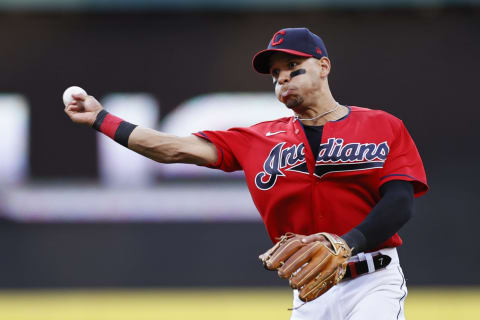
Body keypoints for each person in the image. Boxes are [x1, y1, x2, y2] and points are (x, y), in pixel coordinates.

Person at [65, 27, 428, 320]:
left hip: (372, 280)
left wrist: (347, 242)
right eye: (275, 74)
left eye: (293, 68)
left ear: (324, 66)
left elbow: (399, 202)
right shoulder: (256, 139)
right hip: (310, 291)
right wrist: (101, 118)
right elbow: (170, 147)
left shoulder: (382, 125)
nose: (282, 80)